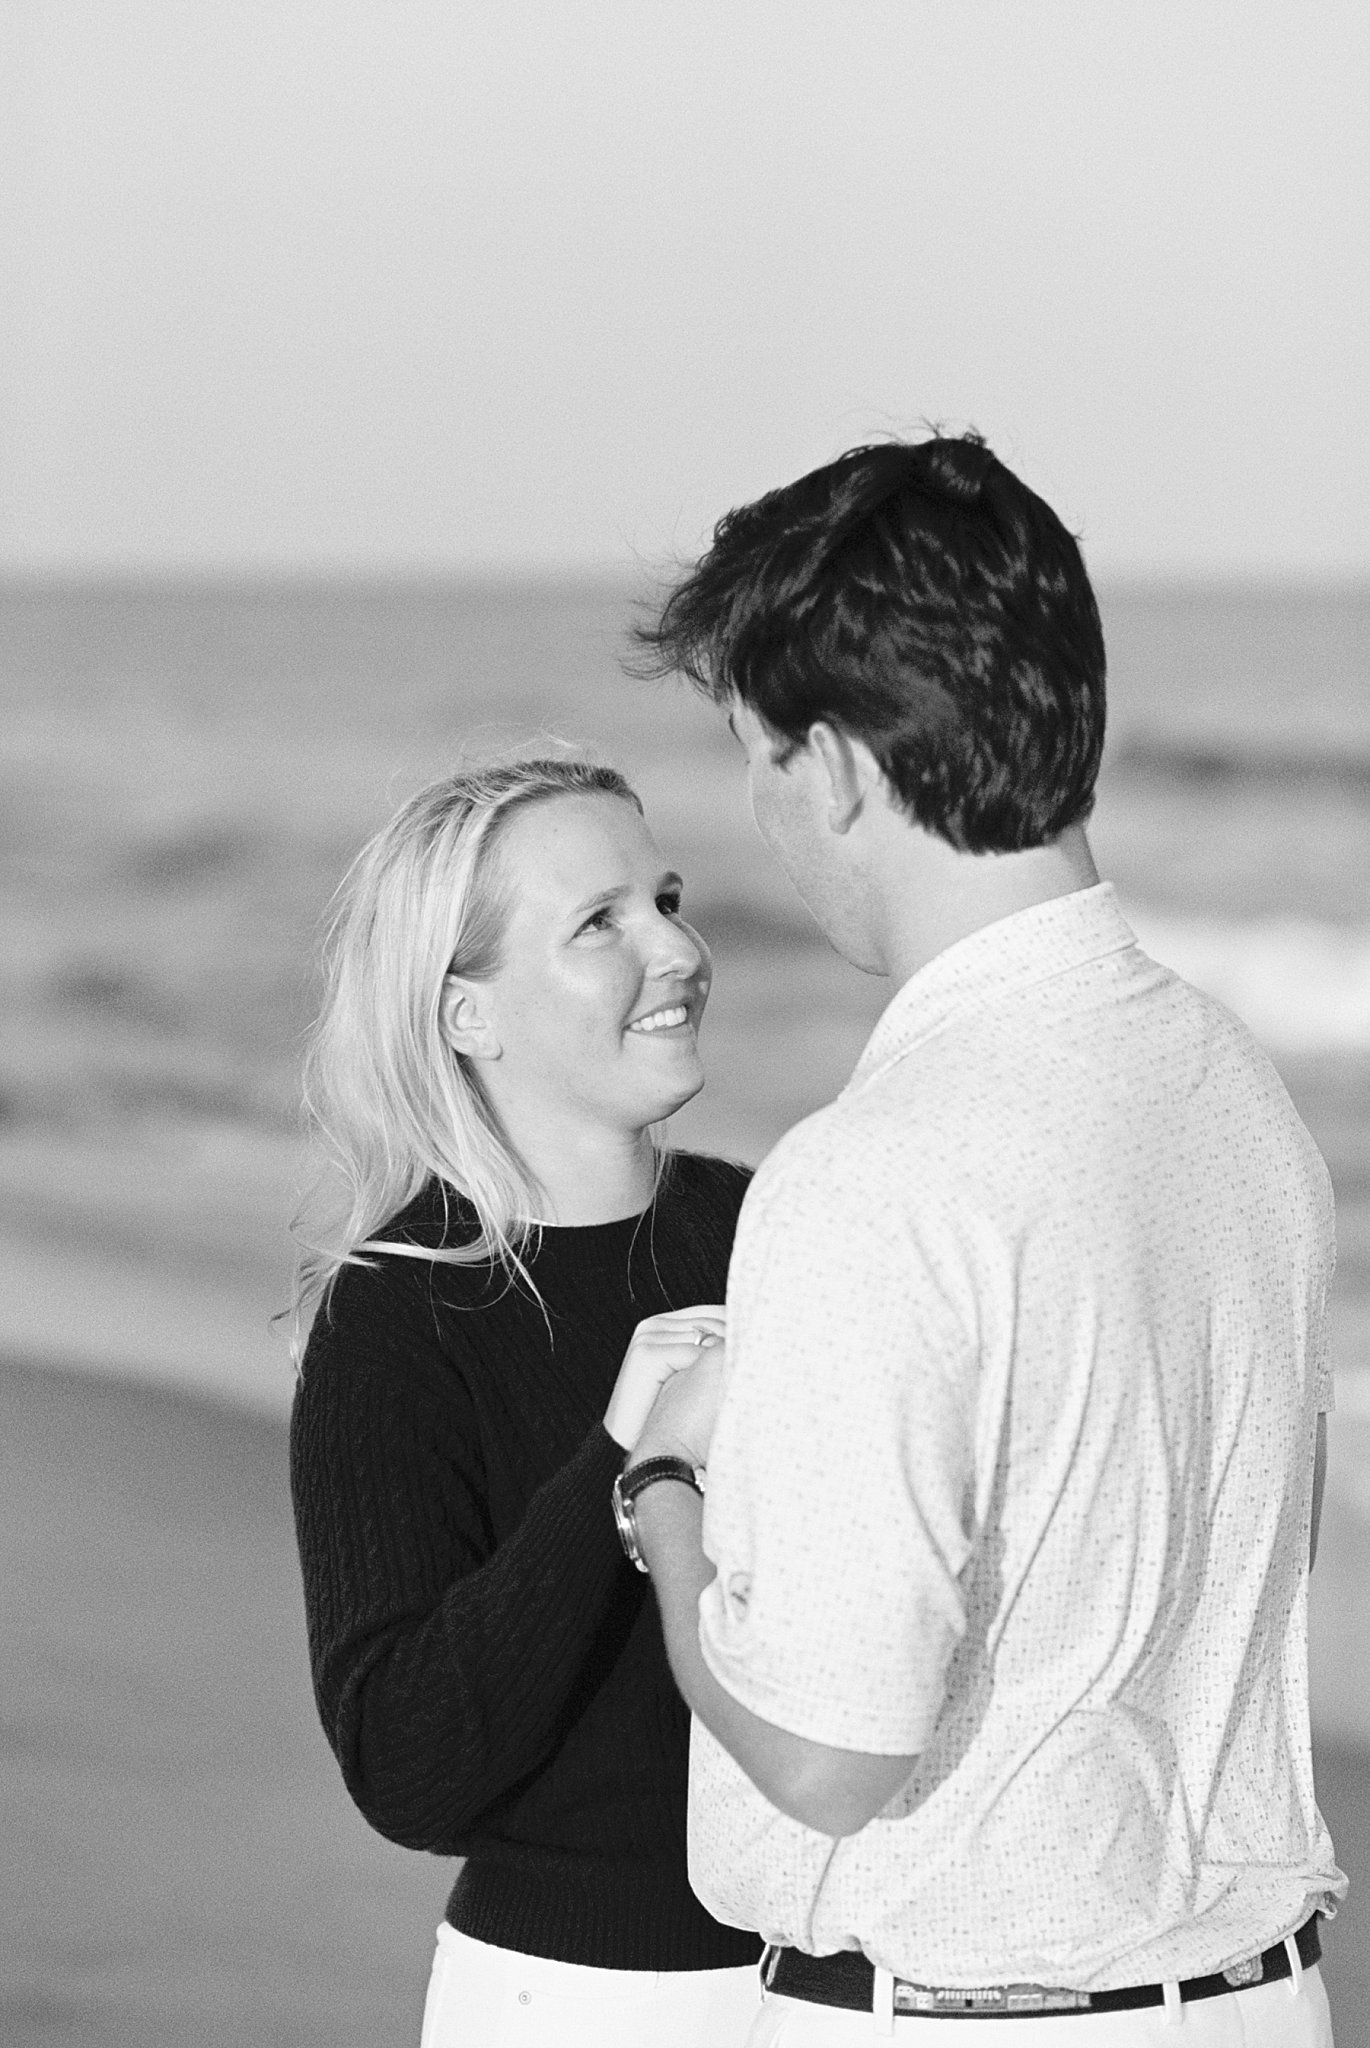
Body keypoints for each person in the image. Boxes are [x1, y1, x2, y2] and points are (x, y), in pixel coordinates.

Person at [620, 433, 1345, 2044]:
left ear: (840, 770)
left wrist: (664, 1493)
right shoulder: (1233, 1087)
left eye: (753, 749)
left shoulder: (872, 1174)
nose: (760, 804)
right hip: (1247, 1995)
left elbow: (827, 1757)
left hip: (975, 2011)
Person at [288, 757, 762, 2048]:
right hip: (568, 2004)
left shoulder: (775, 1230)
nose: (676, 948)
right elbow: (406, 1769)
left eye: (664, 897)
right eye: (599, 923)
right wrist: (622, 1457)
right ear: (468, 1017)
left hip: (843, 1985)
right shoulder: (394, 1318)